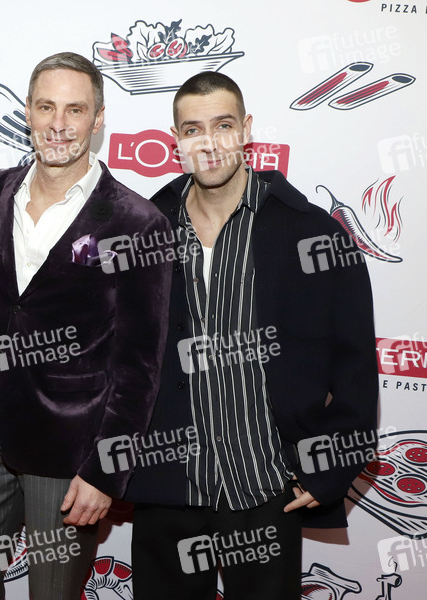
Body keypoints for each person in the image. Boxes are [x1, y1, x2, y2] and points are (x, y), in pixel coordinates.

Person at [124, 71, 378, 600]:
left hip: (265, 486)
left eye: (223, 125)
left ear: (246, 130)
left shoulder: (311, 232)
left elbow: (355, 364)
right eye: (193, 129)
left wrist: (331, 466)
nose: (209, 143)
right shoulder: (146, 229)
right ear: (175, 140)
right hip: (168, 486)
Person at [0, 52, 172, 599]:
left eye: (75, 110)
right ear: (27, 110)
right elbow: (6, 295)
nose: (59, 123)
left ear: (98, 119)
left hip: (70, 444)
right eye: (46, 107)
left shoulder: (137, 222)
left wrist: (105, 470)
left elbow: (140, 365)